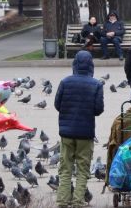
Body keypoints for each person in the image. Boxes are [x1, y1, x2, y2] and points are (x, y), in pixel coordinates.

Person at [54, 50, 104, 208]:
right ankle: (78, 201)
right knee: (83, 169)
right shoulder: (96, 84)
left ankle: (62, 201)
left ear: (74, 64)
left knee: (65, 168)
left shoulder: (65, 82)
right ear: (91, 66)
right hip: (85, 134)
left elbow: (57, 105)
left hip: (66, 133)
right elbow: (98, 109)